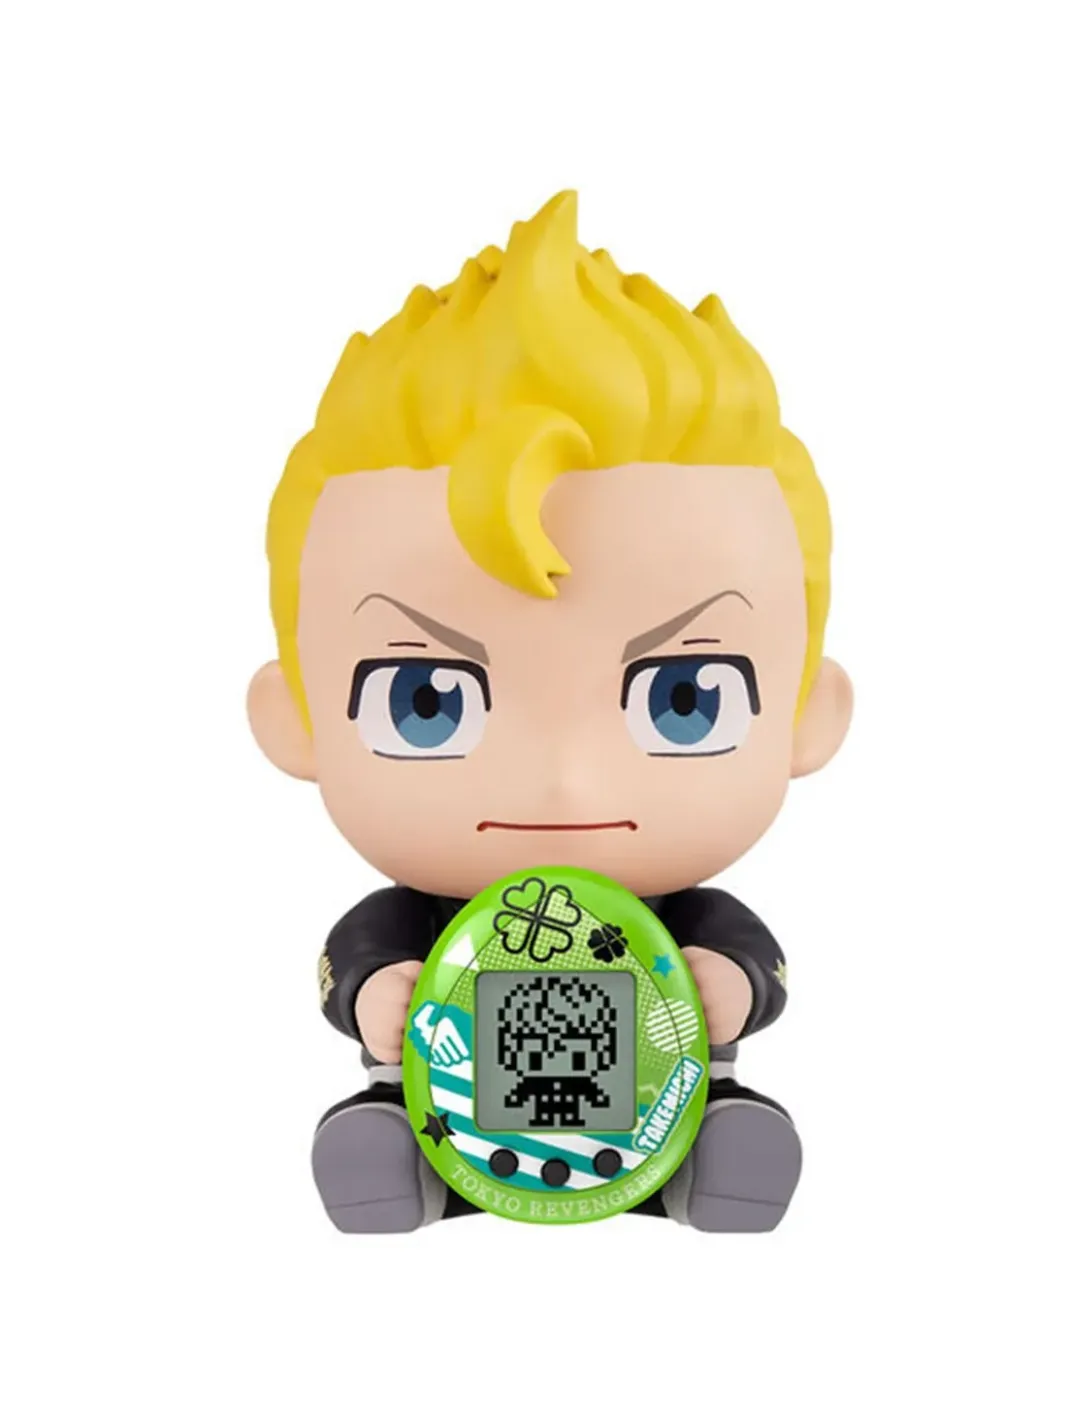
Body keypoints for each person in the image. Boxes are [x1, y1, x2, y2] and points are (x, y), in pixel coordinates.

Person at [247, 191, 853, 1232]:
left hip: (653, 1119)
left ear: (809, 714)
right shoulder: (419, 915)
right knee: (392, 1119)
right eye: (426, 701)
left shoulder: (684, 914)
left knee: (713, 1119)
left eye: (683, 699)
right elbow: (356, 957)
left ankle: (708, 1162)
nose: (564, 780)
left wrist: (732, 984)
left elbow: (756, 959)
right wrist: (374, 994)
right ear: (293, 720)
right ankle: (402, 1167)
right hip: (454, 1117)